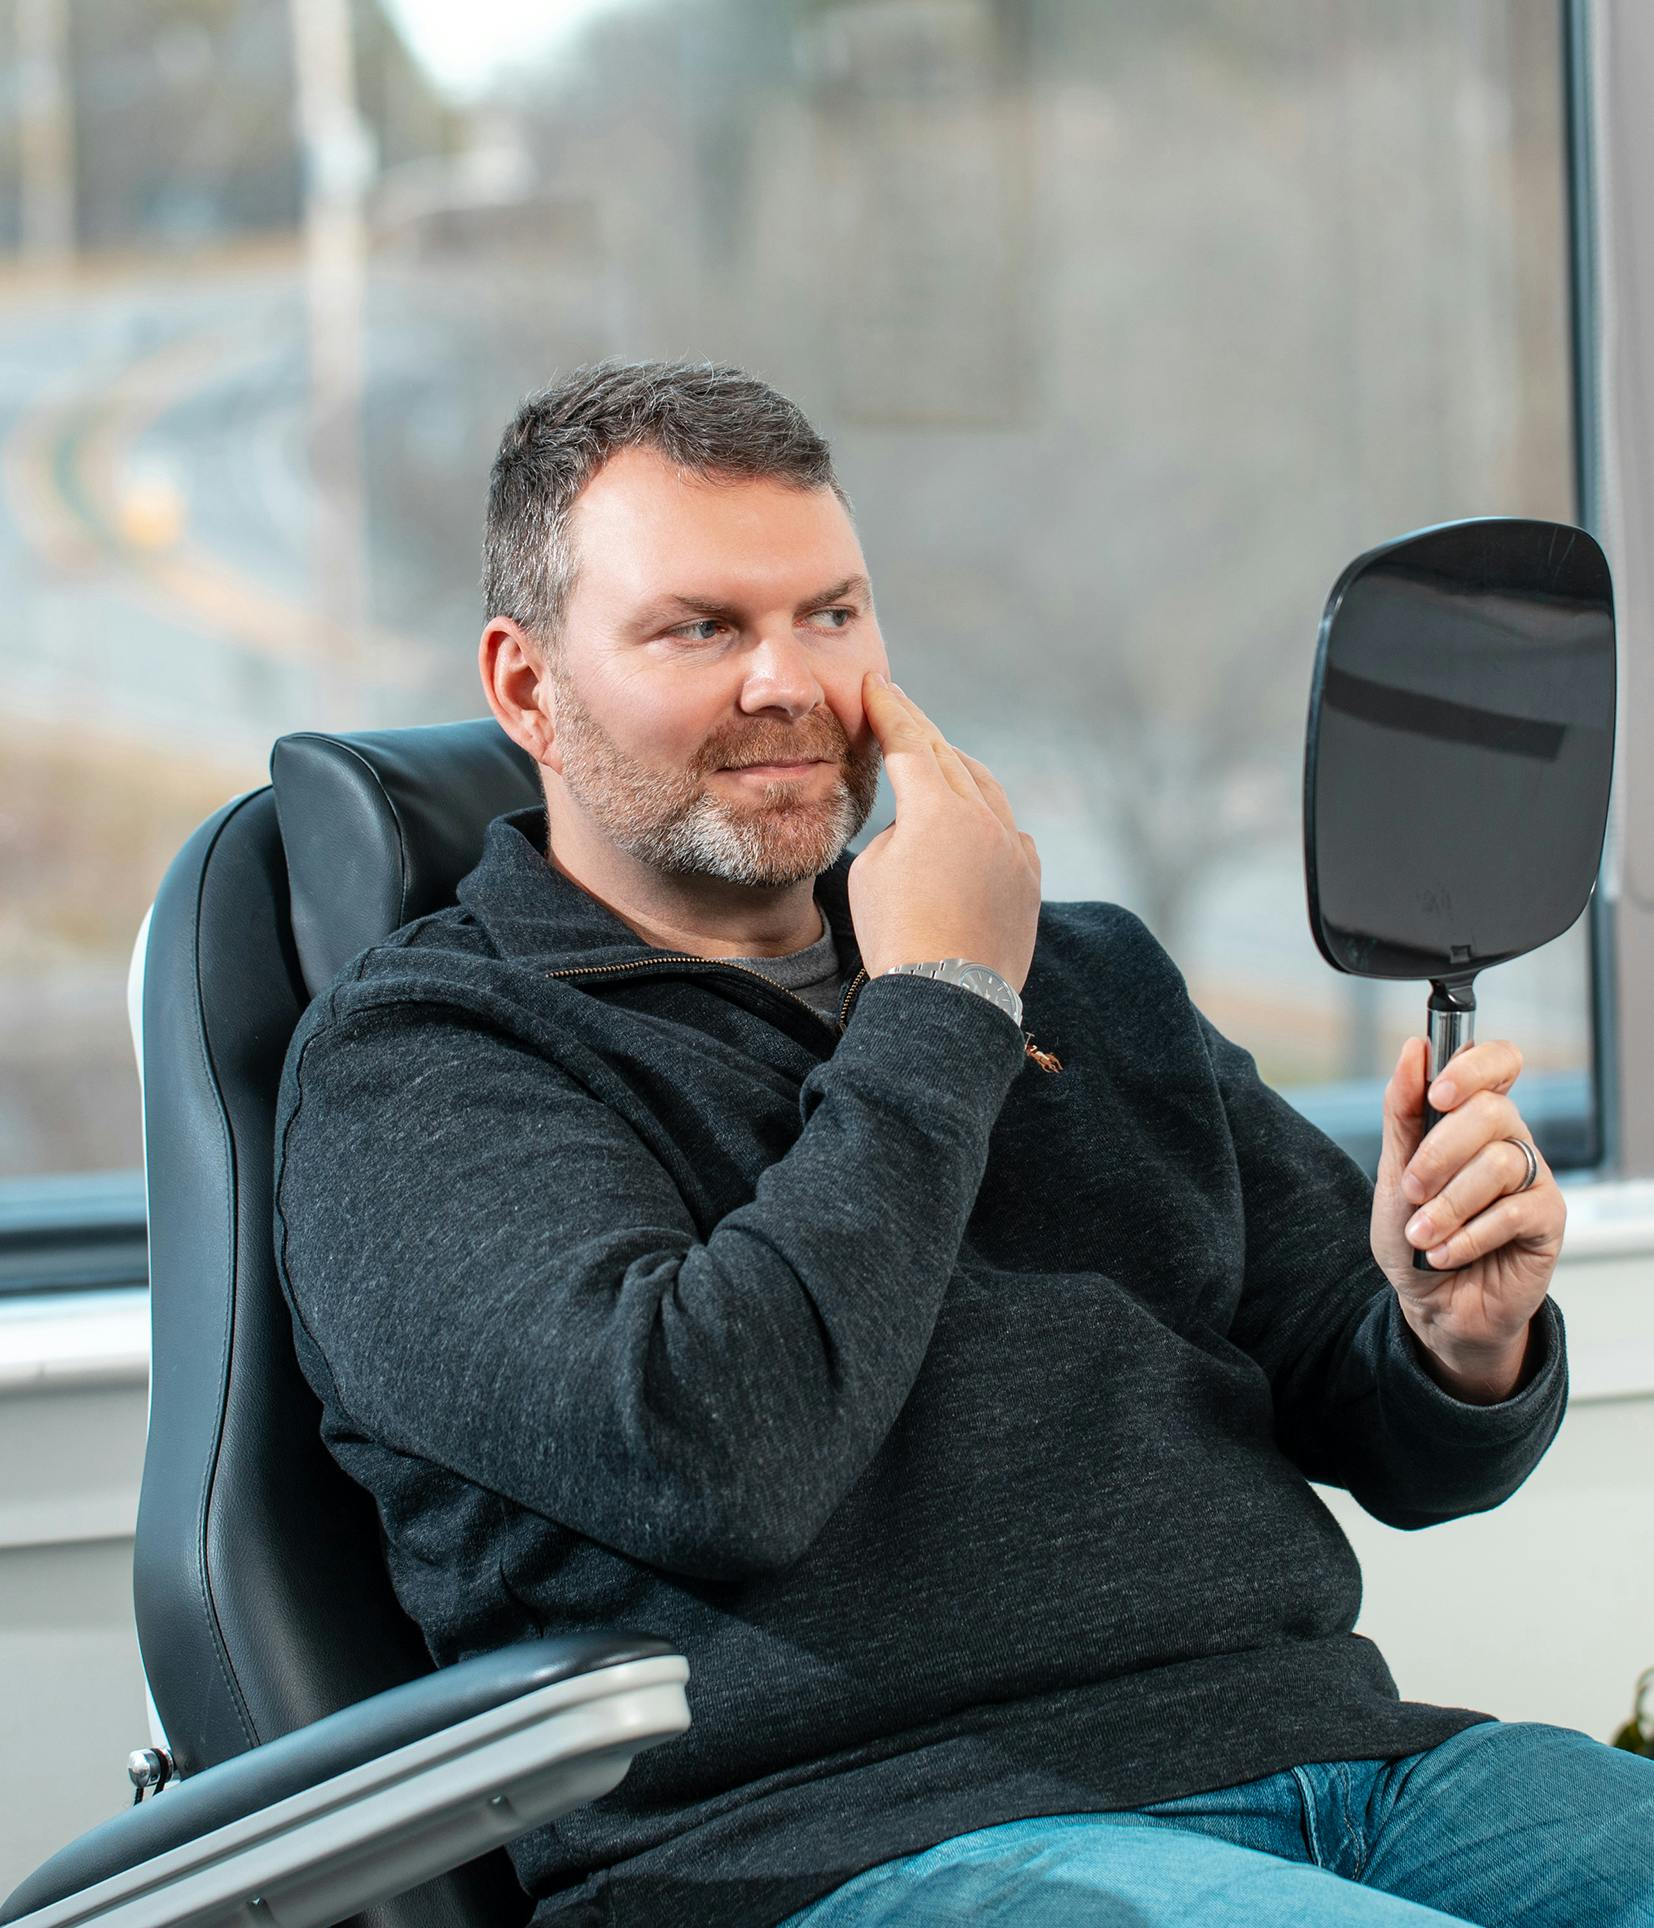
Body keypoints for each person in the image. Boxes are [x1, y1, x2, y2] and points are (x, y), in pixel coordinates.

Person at [271, 358, 1653, 1928]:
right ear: (526, 686)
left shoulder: (1086, 975)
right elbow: (720, 1460)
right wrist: (939, 999)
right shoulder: (428, 1061)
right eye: (700, 627)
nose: (785, 681)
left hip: (1350, 1767)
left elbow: (1396, 1442)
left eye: (830, 615)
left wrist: (1455, 1341)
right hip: (852, 1848)